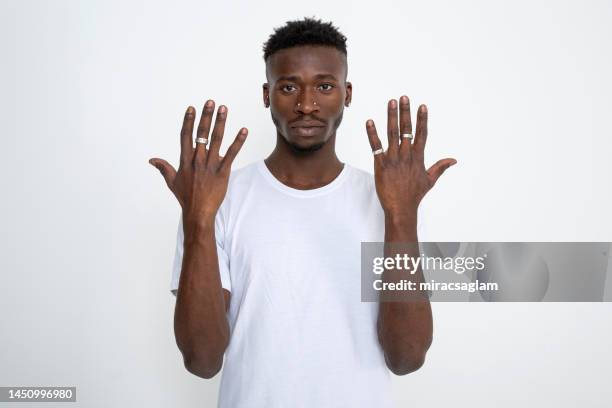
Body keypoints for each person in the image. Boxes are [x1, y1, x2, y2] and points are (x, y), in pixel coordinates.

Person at [149, 17, 456, 408]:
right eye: (289, 86)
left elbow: (407, 357)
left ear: (346, 93)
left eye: (324, 86)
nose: (306, 105)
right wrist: (197, 220)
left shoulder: (393, 201)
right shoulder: (216, 198)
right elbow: (202, 360)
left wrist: (400, 218)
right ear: (267, 94)